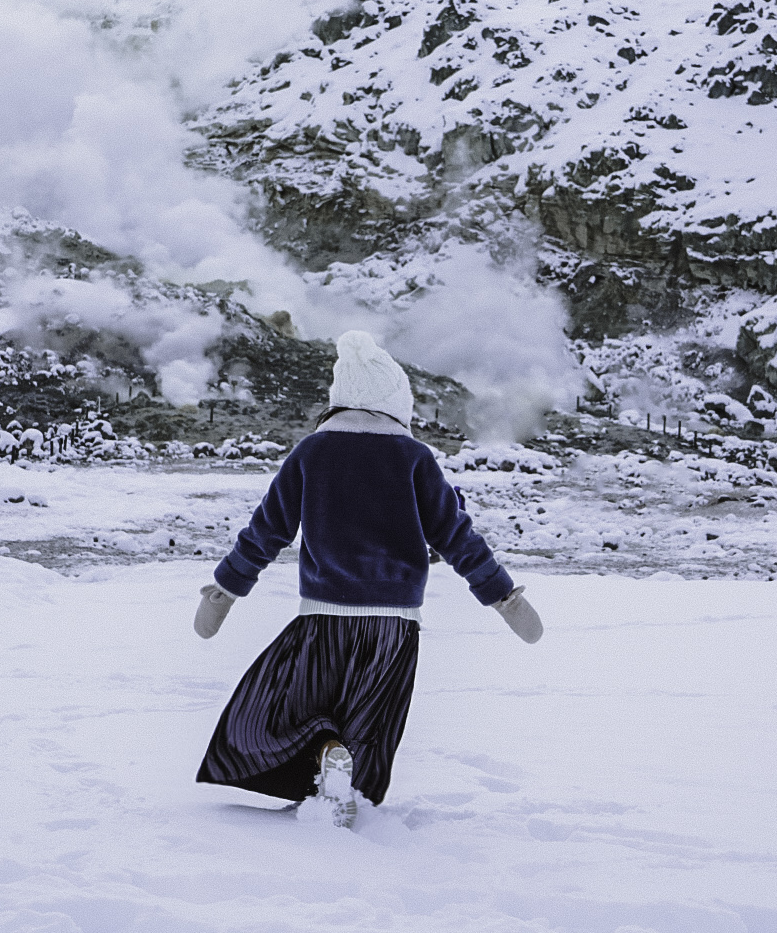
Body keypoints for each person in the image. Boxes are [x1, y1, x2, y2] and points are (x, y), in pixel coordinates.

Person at [194, 330, 543, 827]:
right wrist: (503, 596)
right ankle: (339, 780)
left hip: (323, 618)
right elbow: (458, 537)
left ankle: (326, 761)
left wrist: (224, 590)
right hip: (394, 623)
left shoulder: (311, 454)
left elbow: (265, 531)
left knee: (279, 711)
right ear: (395, 402)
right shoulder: (415, 458)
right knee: (369, 720)